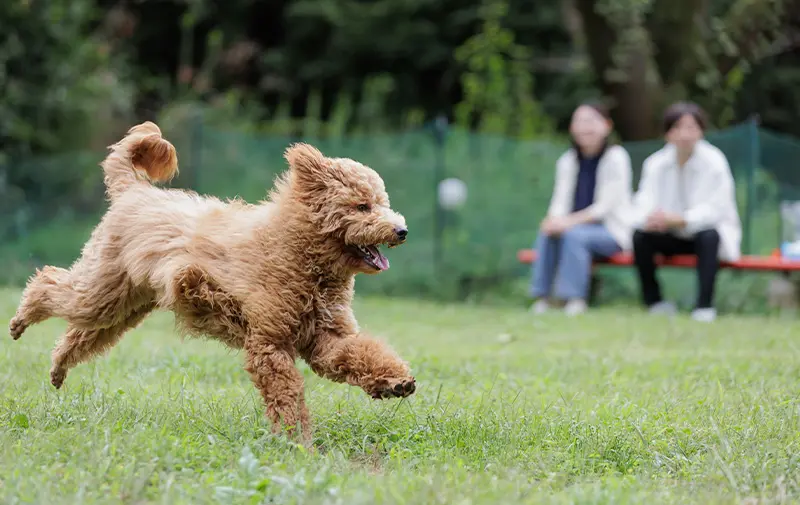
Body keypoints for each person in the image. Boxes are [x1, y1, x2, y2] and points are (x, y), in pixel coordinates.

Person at [630, 101, 741, 323]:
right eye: (678, 127)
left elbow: (716, 209)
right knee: (640, 237)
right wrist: (650, 219)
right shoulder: (655, 163)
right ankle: (654, 302)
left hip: (701, 236)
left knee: (710, 236)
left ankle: (704, 306)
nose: (685, 134)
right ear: (667, 133)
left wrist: (681, 220)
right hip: (669, 234)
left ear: (701, 131)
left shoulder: (714, 162)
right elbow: (643, 201)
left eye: (691, 127)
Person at [529, 101, 633, 316]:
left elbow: (604, 207)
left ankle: (574, 298)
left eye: (591, 121)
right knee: (548, 233)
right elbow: (559, 201)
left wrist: (568, 222)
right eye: (580, 121)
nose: (585, 127)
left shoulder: (616, 157)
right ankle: (543, 298)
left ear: (607, 126)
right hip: (574, 228)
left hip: (612, 232)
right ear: (572, 128)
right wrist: (554, 221)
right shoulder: (567, 160)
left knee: (575, 236)